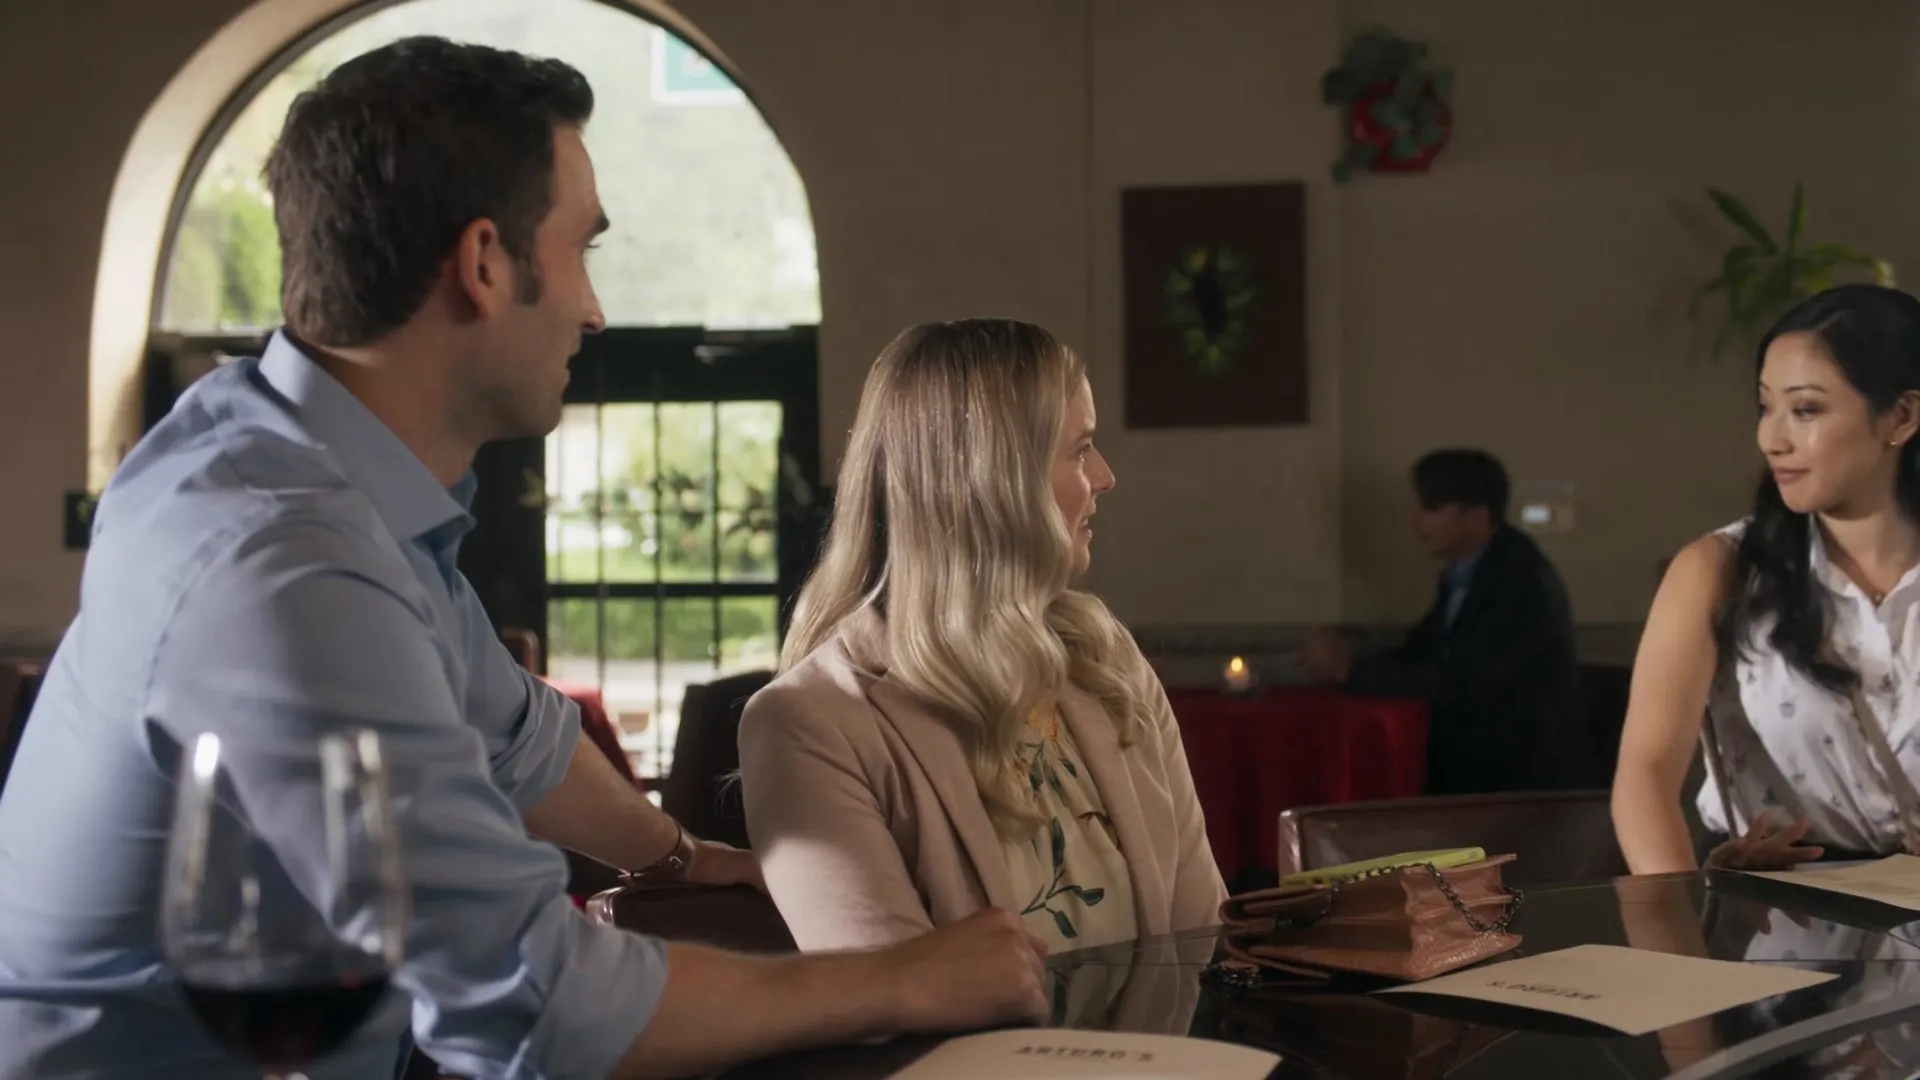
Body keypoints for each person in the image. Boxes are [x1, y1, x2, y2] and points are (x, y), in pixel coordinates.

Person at [0, 38, 1048, 1080]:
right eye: (583, 249)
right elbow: (537, 1005)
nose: (595, 309)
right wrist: (905, 979)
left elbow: (520, 741)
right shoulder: (283, 556)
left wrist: (683, 857)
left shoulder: (303, 460)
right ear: (485, 264)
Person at [737, 319, 1226, 954]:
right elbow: (890, 995)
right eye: (1081, 450)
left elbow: (1202, 943)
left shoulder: (1104, 662)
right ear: (995, 480)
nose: (1106, 476)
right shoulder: (809, 724)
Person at [1614, 284, 1920, 875]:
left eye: (1805, 410)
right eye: (1765, 407)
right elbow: (1644, 778)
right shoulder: (1719, 570)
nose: (1771, 439)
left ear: (1901, 417)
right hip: (1778, 911)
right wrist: (1675, 913)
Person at [1298, 449, 1579, 794]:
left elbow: (1463, 682)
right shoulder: (1471, 572)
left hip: (1513, 781)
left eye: (1430, 508)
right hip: (1479, 767)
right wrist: (1349, 656)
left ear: (1477, 516)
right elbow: (1420, 652)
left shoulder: (1518, 582)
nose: (1416, 521)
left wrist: (1350, 669)